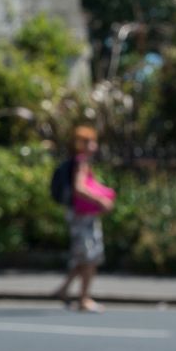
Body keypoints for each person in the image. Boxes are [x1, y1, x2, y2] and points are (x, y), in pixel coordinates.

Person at [52, 126, 115, 312]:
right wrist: (101, 199)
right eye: (91, 142)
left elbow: (87, 185)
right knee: (90, 257)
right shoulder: (80, 162)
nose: (94, 145)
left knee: (84, 256)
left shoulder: (79, 162)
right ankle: (84, 299)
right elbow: (79, 187)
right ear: (82, 144)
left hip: (81, 215)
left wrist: (104, 192)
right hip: (82, 217)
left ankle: (64, 290)